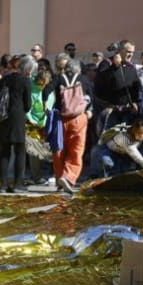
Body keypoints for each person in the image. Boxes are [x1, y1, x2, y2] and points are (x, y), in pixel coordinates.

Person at [47, 52, 91, 193]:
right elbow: (91, 97)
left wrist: (48, 109)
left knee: (59, 149)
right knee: (76, 150)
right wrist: (90, 111)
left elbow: (45, 92)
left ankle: (60, 178)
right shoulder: (84, 79)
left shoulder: (58, 78)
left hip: (60, 118)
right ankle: (68, 176)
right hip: (78, 118)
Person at [0, 55, 36, 192]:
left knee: (4, 151)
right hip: (18, 118)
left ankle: (3, 185)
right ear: (28, 69)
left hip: (3, 117)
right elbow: (28, 105)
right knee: (19, 151)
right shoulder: (26, 81)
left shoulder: (5, 79)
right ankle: (18, 184)